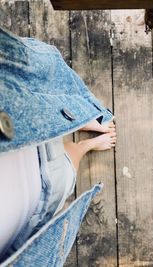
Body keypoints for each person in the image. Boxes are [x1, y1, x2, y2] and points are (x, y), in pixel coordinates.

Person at [0, 25, 116, 263]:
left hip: (22, 109)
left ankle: (77, 121)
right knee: (60, 170)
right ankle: (84, 141)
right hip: (33, 196)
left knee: (52, 109)